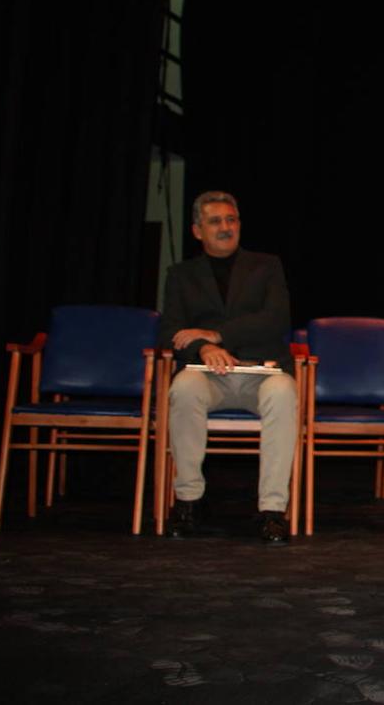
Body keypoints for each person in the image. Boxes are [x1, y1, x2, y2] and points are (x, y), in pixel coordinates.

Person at [161, 191, 298, 545]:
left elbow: (276, 319)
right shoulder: (180, 275)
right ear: (197, 230)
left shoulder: (266, 266)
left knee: (284, 392)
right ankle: (188, 501)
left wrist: (217, 333)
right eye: (215, 221)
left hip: (261, 372)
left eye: (231, 220)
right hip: (206, 374)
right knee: (184, 388)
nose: (225, 227)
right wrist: (204, 346)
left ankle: (272, 510)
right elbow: (170, 330)